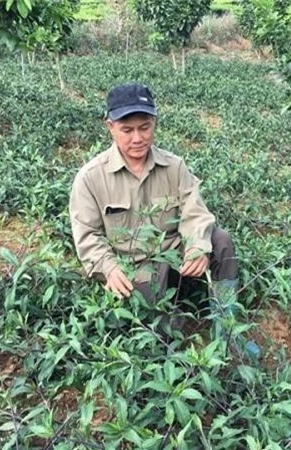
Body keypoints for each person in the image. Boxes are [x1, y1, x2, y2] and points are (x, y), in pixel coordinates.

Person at [69, 83, 260, 358]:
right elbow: (87, 235)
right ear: (110, 126)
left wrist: (197, 246)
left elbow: (196, 212)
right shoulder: (90, 178)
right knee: (162, 332)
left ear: (154, 122)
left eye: (144, 127)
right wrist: (108, 268)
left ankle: (227, 329)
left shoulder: (174, 166)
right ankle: (177, 334)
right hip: (134, 266)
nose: (137, 138)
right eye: (127, 130)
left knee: (221, 241)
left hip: (175, 256)